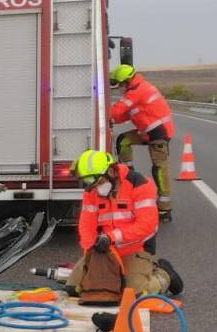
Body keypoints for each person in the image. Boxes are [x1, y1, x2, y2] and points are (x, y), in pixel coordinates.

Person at [66, 150, 182, 297]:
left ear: (110, 171)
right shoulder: (92, 191)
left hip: (136, 249)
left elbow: (147, 225)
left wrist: (111, 237)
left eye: (100, 182)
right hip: (104, 250)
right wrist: (91, 252)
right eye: (93, 184)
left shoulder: (139, 184)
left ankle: (164, 275)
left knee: (135, 293)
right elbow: (86, 225)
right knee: (74, 289)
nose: (97, 187)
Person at [109, 64, 174, 221]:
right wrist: (110, 119)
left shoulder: (137, 91)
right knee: (123, 140)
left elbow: (117, 110)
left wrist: (103, 111)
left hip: (158, 134)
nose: (119, 89)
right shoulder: (136, 90)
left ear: (127, 81)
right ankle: (129, 175)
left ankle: (165, 209)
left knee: (159, 169)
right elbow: (123, 115)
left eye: (120, 85)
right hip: (147, 132)